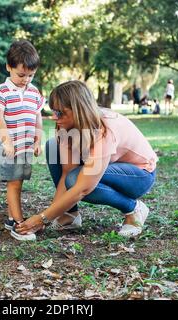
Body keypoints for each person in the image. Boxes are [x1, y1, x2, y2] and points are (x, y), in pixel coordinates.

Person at [16, 80, 158, 238]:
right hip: (110, 168)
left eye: (60, 113)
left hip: (139, 175)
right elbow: (66, 173)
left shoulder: (104, 129)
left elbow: (83, 188)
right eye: (53, 111)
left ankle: (133, 209)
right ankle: (70, 215)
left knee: (76, 180)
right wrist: (48, 216)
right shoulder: (65, 127)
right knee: (52, 147)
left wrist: (42, 218)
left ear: (78, 110)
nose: (54, 117)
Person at [0, 40, 44, 241]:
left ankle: (12, 218)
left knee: (19, 183)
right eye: (21, 75)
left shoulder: (34, 92)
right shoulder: (1, 91)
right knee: (14, 184)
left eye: (30, 75)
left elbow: (38, 117)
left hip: (26, 146)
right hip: (10, 147)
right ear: (9, 67)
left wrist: (37, 140)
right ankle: (19, 224)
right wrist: (7, 142)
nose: (25, 79)